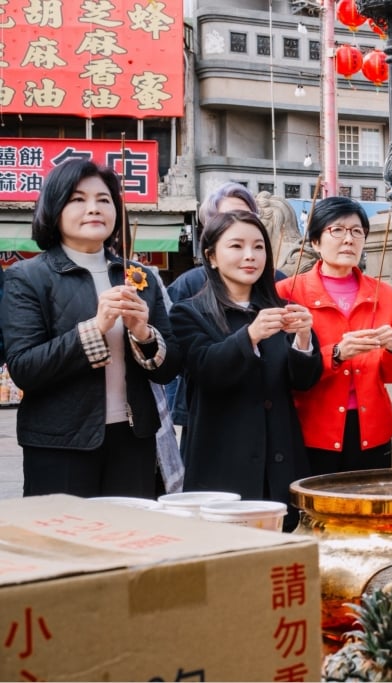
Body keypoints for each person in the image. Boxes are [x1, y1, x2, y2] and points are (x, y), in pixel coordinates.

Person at [0, 158, 181, 497]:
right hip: (59, 444)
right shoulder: (27, 278)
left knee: (130, 542)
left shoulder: (139, 277)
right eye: (78, 199)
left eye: (103, 199)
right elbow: (24, 368)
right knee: (66, 545)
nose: (93, 208)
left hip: (134, 439)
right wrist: (95, 328)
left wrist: (144, 334)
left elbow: (169, 369)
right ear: (55, 207)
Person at [170, 210, 320, 529]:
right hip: (222, 460)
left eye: (258, 247)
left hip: (281, 457)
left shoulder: (279, 309)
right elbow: (206, 369)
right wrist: (250, 335)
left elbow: (304, 381)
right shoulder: (189, 313)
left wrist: (304, 337)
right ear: (211, 256)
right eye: (236, 246)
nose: (250, 256)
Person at [277, 196, 392, 474]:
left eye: (357, 231)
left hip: (372, 427)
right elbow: (285, 370)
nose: (348, 239)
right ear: (315, 241)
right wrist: (336, 354)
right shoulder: (288, 292)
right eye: (337, 230)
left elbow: (391, 375)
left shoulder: (383, 293)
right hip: (313, 428)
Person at [165, 182, 262, 427]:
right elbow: (180, 359)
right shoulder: (188, 285)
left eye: (247, 216)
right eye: (227, 218)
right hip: (207, 412)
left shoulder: (274, 283)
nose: (238, 223)